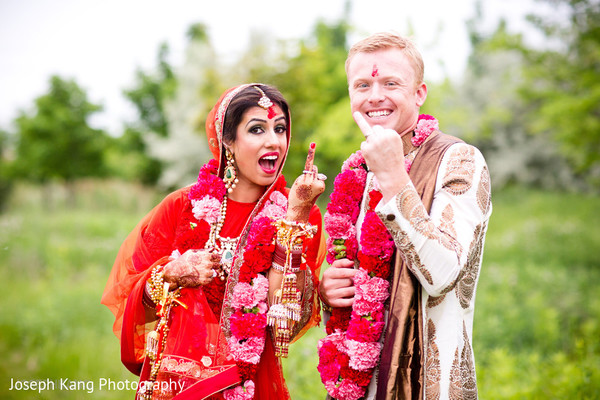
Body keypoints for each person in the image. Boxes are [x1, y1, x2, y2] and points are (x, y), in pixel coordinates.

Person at [102, 83, 327, 400]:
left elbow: (284, 321)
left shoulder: (300, 212)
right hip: (182, 381)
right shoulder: (183, 207)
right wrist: (170, 274)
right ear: (228, 140)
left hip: (253, 380)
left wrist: (295, 218)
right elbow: (134, 300)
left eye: (280, 129)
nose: (274, 141)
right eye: (257, 129)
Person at [317, 32, 492, 400]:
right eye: (362, 84)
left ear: (419, 93)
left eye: (390, 83)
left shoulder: (459, 160)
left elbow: (442, 274)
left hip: (430, 383)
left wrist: (394, 176)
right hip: (359, 383)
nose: (375, 96)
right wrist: (330, 289)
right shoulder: (357, 172)